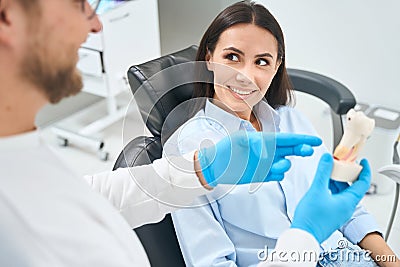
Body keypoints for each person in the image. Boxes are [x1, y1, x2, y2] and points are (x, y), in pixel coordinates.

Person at [0, 0, 328, 266]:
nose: (96, 24)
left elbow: (88, 197)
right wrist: (304, 237)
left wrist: (199, 170)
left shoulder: (22, 151)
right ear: (7, 15)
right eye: (79, 4)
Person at [159, 1, 399, 267]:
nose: (245, 76)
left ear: (276, 67)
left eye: (261, 61)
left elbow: (345, 209)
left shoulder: (291, 120)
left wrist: (390, 261)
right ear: (209, 59)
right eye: (232, 57)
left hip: (343, 254)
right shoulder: (186, 153)